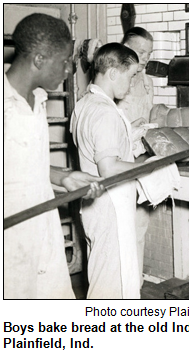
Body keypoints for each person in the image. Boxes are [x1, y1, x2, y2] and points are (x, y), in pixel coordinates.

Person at [4, 13, 104, 299]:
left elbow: (19, 161)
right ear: (38, 59)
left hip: (44, 221)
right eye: (64, 61)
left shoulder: (38, 99)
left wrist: (64, 177)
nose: (69, 70)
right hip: (11, 233)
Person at [70, 43, 143, 299]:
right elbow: (109, 167)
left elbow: (96, 147)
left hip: (95, 206)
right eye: (131, 75)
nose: (132, 84)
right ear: (113, 73)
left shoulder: (84, 104)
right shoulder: (104, 112)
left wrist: (129, 136)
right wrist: (148, 167)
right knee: (115, 287)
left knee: (102, 277)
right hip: (111, 205)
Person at [116, 27, 155, 286]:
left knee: (140, 227)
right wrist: (132, 128)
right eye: (140, 51)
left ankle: (135, 289)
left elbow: (149, 118)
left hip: (141, 162)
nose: (145, 58)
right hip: (118, 164)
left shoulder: (148, 82)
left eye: (149, 53)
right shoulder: (116, 81)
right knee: (120, 232)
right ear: (125, 48)